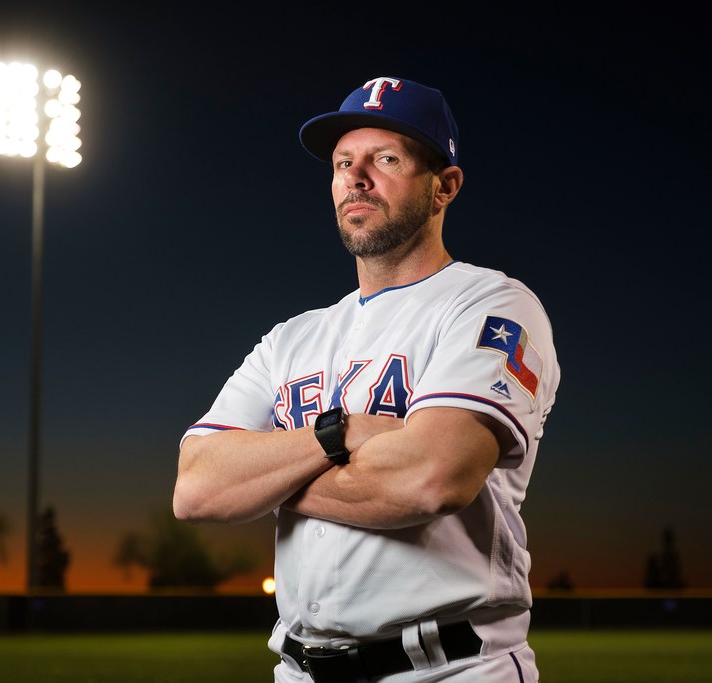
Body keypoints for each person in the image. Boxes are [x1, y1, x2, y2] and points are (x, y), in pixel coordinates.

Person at [173, 76, 560, 682]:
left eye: (386, 159)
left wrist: (266, 479)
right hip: (298, 669)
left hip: (451, 668)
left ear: (444, 187)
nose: (357, 177)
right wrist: (341, 434)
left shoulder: (491, 305)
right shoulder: (289, 339)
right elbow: (196, 488)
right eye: (342, 163)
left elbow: (432, 478)